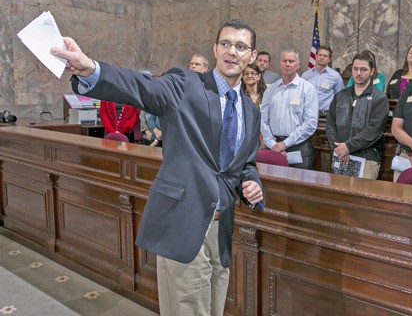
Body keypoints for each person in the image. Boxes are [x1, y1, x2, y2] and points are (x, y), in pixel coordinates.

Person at [52, 19, 264, 316]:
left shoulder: (251, 111)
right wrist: (89, 67)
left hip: (221, 226)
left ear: (251, 56)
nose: (232, 52)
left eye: (240, 46)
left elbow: (245, 163)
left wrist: (251, 182)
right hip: (182, 221)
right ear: (215, 49)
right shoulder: (186, 85)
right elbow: (141, 87)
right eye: (226, 44)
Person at [325, 51, 389, 179]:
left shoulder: (379, 98)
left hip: (367, 157)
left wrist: (348, 146)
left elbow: (373, 130)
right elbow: (330, 124)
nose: (359, 73)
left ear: (372, 71)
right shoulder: (340, 96)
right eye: (355, 69)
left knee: (361, 198)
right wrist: (339, 148)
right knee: (339, 196)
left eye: (363, 69)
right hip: (341, 155)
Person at [261, 49, 319, 169]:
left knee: (299, 186)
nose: (287, 64)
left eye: (291, 61)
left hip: (298, 146)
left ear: (298, 65)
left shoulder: (307, 89)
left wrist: (285, 144)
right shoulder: (271, 90)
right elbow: (262, 120)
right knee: (273, 186)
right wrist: (273, 144)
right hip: (274, 146)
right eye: (284, 61)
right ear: (279, 64)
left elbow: (310, 123)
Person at [301, 45, 344, 113]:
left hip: (326, 115)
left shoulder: (336, 77)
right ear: (316, 56)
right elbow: (300, 94)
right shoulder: (306, 75)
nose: (322, 57)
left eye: (325, 56)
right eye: (320, 55)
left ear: (329, 59)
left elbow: (341, 97)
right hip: (307, 113)